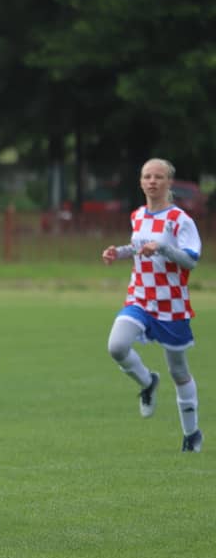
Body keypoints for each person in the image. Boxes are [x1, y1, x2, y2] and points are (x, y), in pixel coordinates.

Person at [101, 157, 203, 452]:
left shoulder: (180, 220)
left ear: (169, 182)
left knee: (179, 371)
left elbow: (190, 261)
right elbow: (138, 248)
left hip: (171, 304)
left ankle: (192, 434)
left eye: (159, 176)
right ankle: (147, 383)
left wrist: (164, 248)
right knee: (117, 346)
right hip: (139, 297)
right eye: (147, 176)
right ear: (141, 181)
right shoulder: (137, 215)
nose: (152, 181)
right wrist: (118, 252)